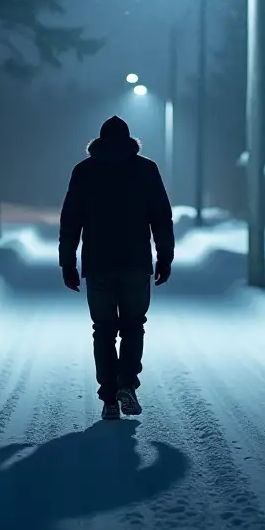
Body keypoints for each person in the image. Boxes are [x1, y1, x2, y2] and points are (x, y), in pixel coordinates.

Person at [58, 114, 174, 420]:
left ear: (98, 142)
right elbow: (161, 217)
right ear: (129, 142)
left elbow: (70, 221)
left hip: (98, 265)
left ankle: (109, 397)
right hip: (136, 264)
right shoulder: (146, 170)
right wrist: (165, 258)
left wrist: (67, 263)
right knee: (134, 326)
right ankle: (127, 385)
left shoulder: (84, 171)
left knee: (104, 330)